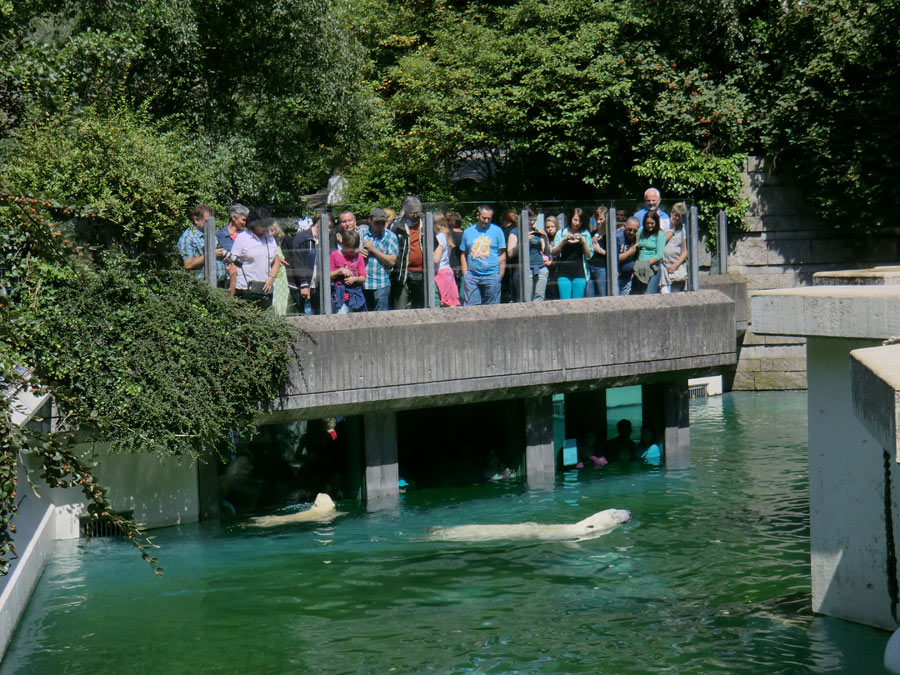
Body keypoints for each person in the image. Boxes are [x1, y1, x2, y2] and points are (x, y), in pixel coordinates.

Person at [232, 208, 281, 309]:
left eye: (267, 225)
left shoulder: (271, 239)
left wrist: (271, 278)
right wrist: (232, 288)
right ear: (253, 224)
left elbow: (276, 261)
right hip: (245, 289)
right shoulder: (242, 238)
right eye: (262, 226)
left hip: (265, 289)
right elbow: (233, 264)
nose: (265, 229)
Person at [460, 205, 506, 305]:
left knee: (492, 308)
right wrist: (465, 273)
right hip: (472, 276)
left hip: (492, 275)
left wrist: (500, 275)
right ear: (478, 216)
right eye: (483, 218)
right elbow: (463, 253)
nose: (486, 221)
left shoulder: (497, 231)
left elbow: (502, 254)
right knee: (471, 308)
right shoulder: (468, 232)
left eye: (488, 218)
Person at [358, 207, 398, 311]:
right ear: (370, 220)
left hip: (381, 284)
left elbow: (392, 261)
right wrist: (357, 253)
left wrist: (374, 250)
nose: (380, 226)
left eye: (382, 223)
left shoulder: (390, 236)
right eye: (377, 223)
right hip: (362, 284)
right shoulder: (360, 235)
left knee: (381, 319)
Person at [390, 195, 426, 309]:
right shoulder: (396, 226)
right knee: (400, 307)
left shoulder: (426, 224)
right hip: (402, 273)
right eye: (412, 213)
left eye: (418, 212)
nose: (416, 215)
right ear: (405, 211)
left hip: (422, 273)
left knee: (420, 307)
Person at [177, 204, 227, 286]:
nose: (209, 224)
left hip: (220, 284)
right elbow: (188, 264)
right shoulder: (188, 237)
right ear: (196, 220)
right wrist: (212, 254)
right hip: (202, 286)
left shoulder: (210, 234)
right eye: (206, 221)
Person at [551, 207, 591, 299]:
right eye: (575, 220)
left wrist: (583, 242)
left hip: (580, 273)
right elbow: (554, 253)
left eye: (580, 221)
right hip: (563, 272)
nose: (577, 223)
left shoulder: (586, 234)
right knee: (565, 300)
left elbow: (589, 256)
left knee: (577, 301)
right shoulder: (561, 233)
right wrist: (563, 241)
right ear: (570, 219)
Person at [215, 203, 249, 295]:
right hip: (225, 280)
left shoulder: (247, 236)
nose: (245, 223)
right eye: (243, 220)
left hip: (243, 281)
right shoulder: (219, 236)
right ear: (234, 218)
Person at [330, 230, 366, 313]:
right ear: (343, 244)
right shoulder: (334, 255)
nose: (351, 250)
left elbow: (363, 277)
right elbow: (330, 274)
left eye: (354, 248)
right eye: (348, 247)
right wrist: (340, 270)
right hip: (340, 295)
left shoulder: (359, 257)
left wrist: (354, 279)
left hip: (355, 294)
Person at [288, 216, 318, 315]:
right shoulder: (302, 237)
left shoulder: (327, 238)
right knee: (302, 316)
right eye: (329, 227)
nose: (330, 230)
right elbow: (297, 262)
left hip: (318, 286)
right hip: (302, 286)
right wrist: (304, 284)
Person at [631, 210, 666, 295]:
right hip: (639, 268)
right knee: (638, 294)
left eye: (652, 223)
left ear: (656, 223)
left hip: (652, 268)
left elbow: (659, 255)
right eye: (647, 223)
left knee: (649, 294)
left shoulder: (659, 234)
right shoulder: (641, 231)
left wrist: (646, 264)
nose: (649, 226)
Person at [519, 209, 550, 301]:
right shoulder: (518, 232)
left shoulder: (537, 232)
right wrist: (525, 240)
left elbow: (547, 253)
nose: (532, 222)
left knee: (539, 296)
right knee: (527, 298)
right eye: (530, 219)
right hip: (526, 268)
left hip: (540, 267)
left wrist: (545, 238)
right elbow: (512, 252)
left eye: (534, 220)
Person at [660, 202, 689, 293]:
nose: (676, 218)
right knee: (665, 293)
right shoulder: (663, 223)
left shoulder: (683, 228)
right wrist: (672, 230)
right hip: (663, 265)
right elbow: (661, 242)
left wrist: (676, 265)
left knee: (677, 295)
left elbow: (685, 250)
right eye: (675, 215)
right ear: (671, 213)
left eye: (679, 216)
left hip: (676, 265)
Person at [433, 213, 460, 306]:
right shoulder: (446, 235)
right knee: (450, 303)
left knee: (437, 303)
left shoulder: (439, 238)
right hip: (447, 272)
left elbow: (436, 259)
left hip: (439, 273)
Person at [268, 223, 292, 315]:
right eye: (268, 231)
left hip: (282, 277)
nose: (270, 233)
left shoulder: (280, 242)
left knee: (284, 299)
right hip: (273, 277)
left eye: (272, 230)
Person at [587, 205, 609, 298]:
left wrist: (599, 250)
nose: (598, 222)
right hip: (590, 268)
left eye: (601, 219)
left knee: (601, 296)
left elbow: (613, 255)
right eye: (597, 219)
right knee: (589, 296)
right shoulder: (592, 234)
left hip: (602, 269)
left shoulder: (609, 235)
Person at [499, 209, 519, 303]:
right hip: (517, 263)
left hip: (507, 264)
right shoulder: (518, 230)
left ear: (505, 220)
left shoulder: (505, 232)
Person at [616, 217, 640, 295]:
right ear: (624, 226)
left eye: (635, 230)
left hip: (627, 278)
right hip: (615, 278)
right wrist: (629, 252)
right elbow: (614, 259)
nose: (631, 232)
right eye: (629, 229)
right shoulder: (617, 237)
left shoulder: (637, 239)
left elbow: (637, 257)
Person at [544, 215, 560, 300]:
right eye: (547, 227)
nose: (550, 229)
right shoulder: (544, 239)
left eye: (552, 227)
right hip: (548, 271)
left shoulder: (560, 238)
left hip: (558, 271)